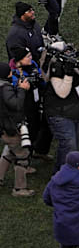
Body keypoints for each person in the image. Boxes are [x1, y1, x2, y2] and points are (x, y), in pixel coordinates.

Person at [44, 42, 79, 172]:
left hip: (75, 111)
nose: (69, 54)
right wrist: (69, 74)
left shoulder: (69, 62)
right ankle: (61, 175)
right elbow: (62, 93)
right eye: (66, 52)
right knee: (69, 146)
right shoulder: (56, 67)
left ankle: (66, 172)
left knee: (72, 145)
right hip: (60, 114)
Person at [9, 47, 52, 161]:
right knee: (29, 132)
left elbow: (42, 81)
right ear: (19, 60)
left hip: (37, 103)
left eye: (30, 55)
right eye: (28, 56)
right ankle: (23, 161)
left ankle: (34, 152)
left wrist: (39, 78)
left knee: (38, 128)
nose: (31, 58)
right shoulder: (14, 73)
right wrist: (22, 86)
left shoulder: (32, 64)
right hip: (25, 108)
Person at [0, 63, 33, 196]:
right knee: (22, 156)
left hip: (3, 128)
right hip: (11, 128)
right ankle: (19, 189)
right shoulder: (5, 88)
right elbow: (16, 104)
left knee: (9, 152)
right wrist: (22, 89)